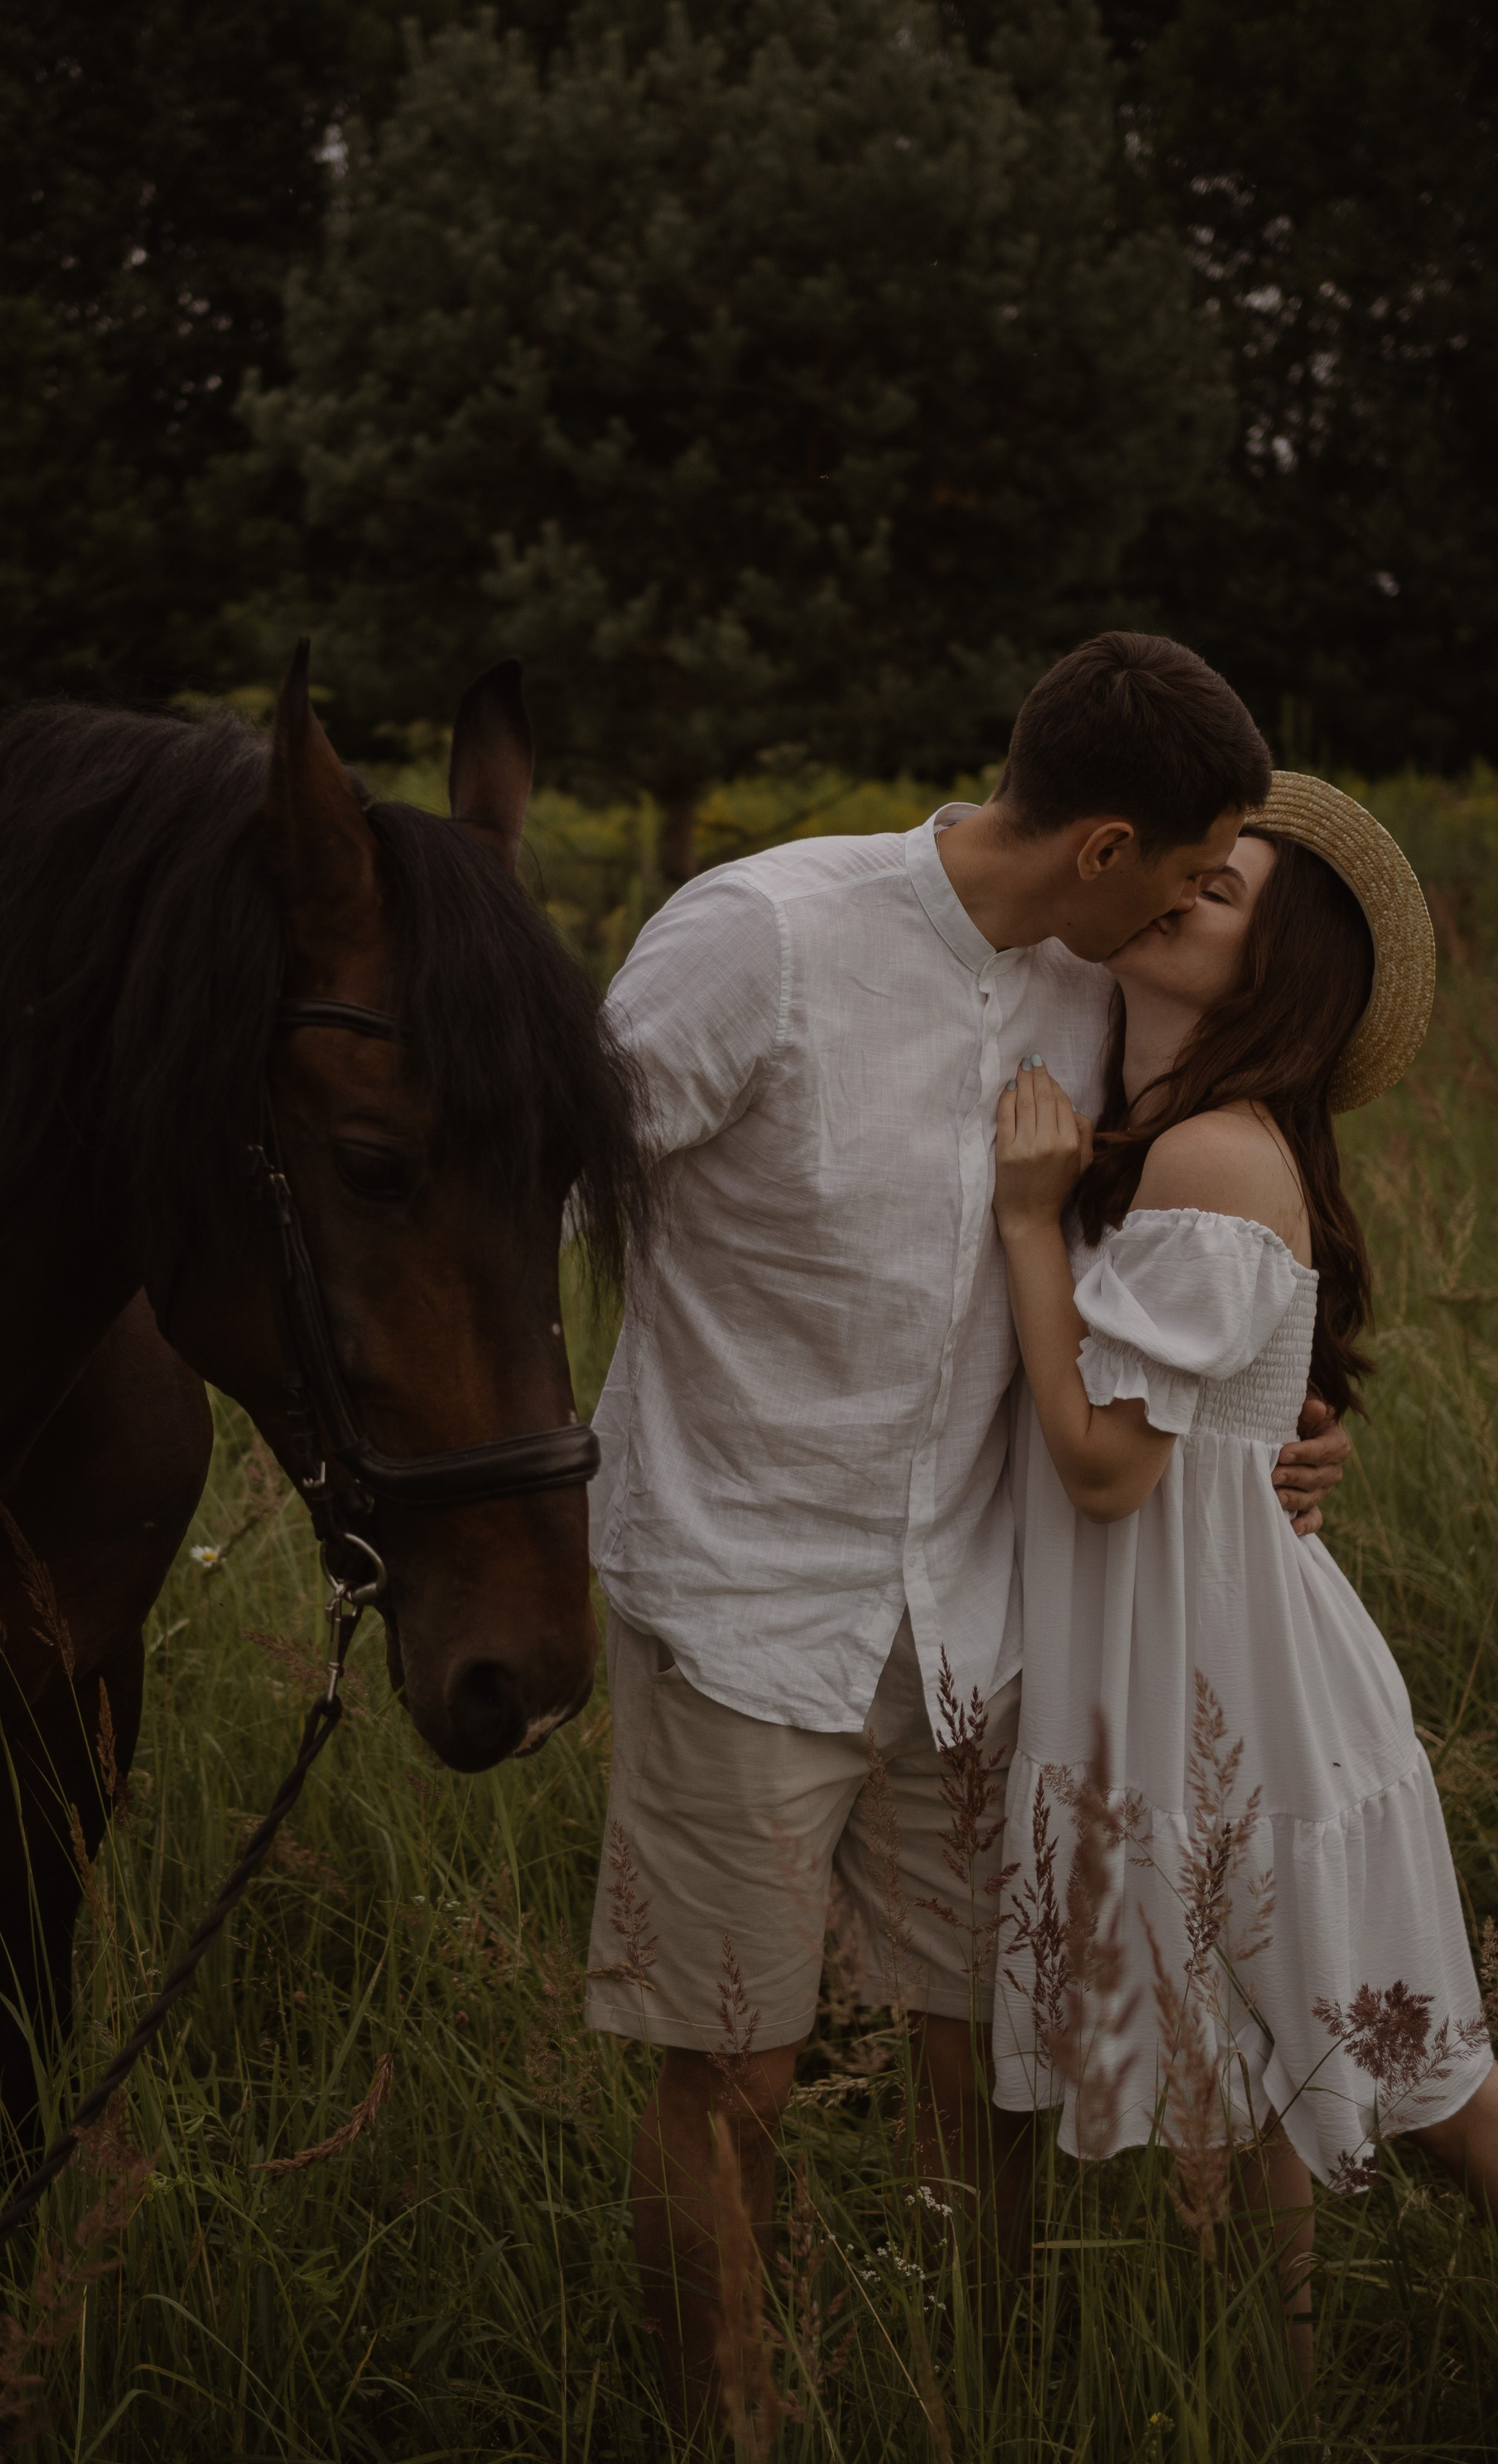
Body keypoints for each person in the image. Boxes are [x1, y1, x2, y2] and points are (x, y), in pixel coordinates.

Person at [582, 632, 1351, 2435]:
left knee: (981, 2067)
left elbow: (1200, 1263)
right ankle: (730, 2431)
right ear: (1100, 845)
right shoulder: (757, 940)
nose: (1190, 904)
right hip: (740, 1601)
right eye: (1187, 863)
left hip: (986, 1623)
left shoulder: (1099, 989)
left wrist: (1281, 1445)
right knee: (733, 2076)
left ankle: (959, 2401)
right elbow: (531, 1178)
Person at [990, 771, 1498, 2381]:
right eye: (1189, 870)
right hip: (1186, 1648)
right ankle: (1266, 2385)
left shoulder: (1209, 1156)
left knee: (1420, 2080)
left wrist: (1020, 1220)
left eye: (1217, 895)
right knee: (1242, 2049)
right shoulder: (1162, 1133)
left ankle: (1263, 2376)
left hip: (1238, 1683)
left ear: (1277, 972)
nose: (1173, 889)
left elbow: (1100, 1463)